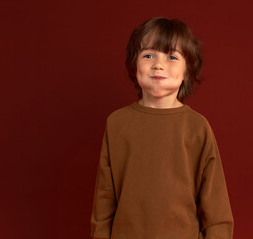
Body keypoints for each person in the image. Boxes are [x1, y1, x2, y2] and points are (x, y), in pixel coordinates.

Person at [90, 17, 234, 239]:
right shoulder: (117, 123)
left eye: (172, 57)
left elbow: (216, 208)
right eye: (148, 55)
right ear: (134, 64)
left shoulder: (197, 127)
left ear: (187, 70)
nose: (158, 64)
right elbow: (104, 199)